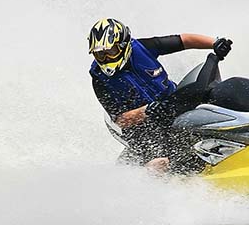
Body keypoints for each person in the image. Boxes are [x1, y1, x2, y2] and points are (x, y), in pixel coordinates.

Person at [88, 17, 232, 172]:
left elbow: (184, 40)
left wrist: (215, 43)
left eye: (110, 52)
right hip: (143, 127)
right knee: (158, 164)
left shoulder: (143, 47)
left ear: (123, 46)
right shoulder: (99, 80)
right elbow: (120, 120)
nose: (105, 59)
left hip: (172, 103)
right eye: (100, 55)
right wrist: (147, 111)